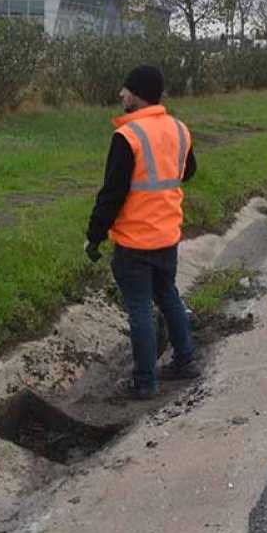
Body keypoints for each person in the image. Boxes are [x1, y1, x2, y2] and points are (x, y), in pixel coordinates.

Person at [85, 65, 200, 400]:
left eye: (125, 90)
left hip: (135, 241)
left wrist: (94, 235)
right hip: (168, 234)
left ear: (137, 94)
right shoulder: (179, 129)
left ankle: (145, 381)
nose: (121, 94)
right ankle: (185, 360)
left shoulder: (128, 136)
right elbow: (187, 171)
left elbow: (112, 194)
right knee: (168, 297)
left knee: (139, 308)